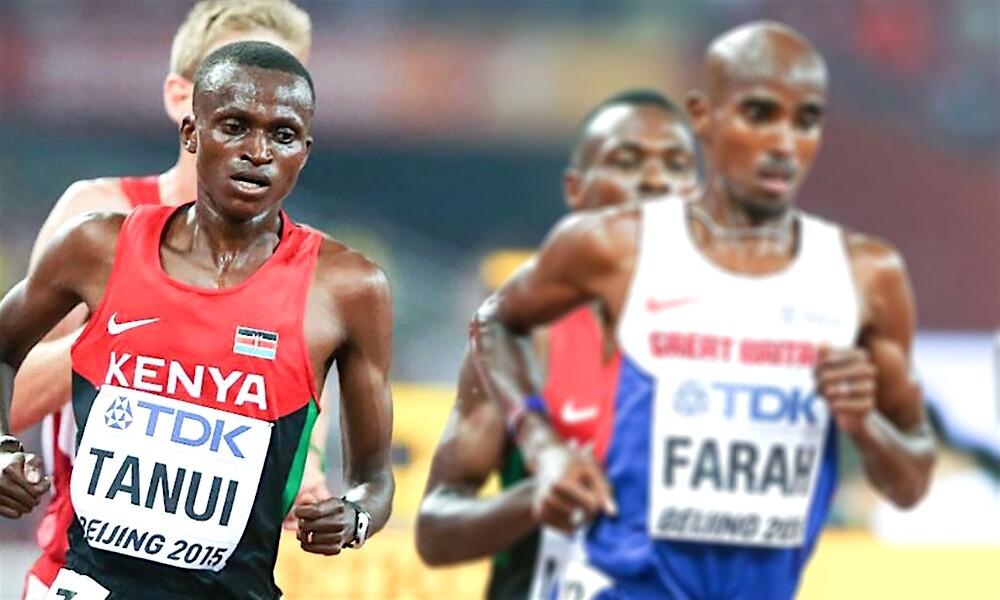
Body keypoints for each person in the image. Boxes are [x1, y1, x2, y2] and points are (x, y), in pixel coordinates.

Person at [468, 20, 936, 600]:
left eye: (806, 121)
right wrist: (541, 443)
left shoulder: (866, 275)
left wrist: (864, 423)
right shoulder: (620, 245)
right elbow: (494, 322)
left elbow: (911, 483)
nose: (784, 144)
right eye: (759, 114)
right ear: (703, 116)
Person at [0, 40, 394, 600]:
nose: (257, 151)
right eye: (234, 126)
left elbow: (374, 481)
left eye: (282, 135)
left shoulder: (349, 289)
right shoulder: (97, 246)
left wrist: (354, 517)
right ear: (191, 134)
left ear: (304, 151)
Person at [414, 89, 699, 600]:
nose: (656, 181)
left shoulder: (736, 335)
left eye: (676, 165)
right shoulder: (520, 337)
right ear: (576, 190)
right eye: (627, 161)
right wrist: (535, 497)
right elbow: (435, 530)